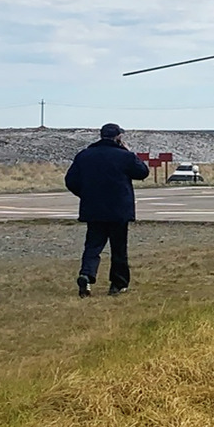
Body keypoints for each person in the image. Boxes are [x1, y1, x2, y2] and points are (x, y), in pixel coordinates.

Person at [65, 123, 150, 298]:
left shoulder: (85, 155)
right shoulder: (124, 156)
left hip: (94, 208)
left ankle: (86, 275)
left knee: (93, 245)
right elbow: (142, 172)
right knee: (118, 248)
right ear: (118, 137)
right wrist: (129, 152)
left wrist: (86, 195)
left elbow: (71, 180)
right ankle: (118, 284)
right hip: (119, 209)